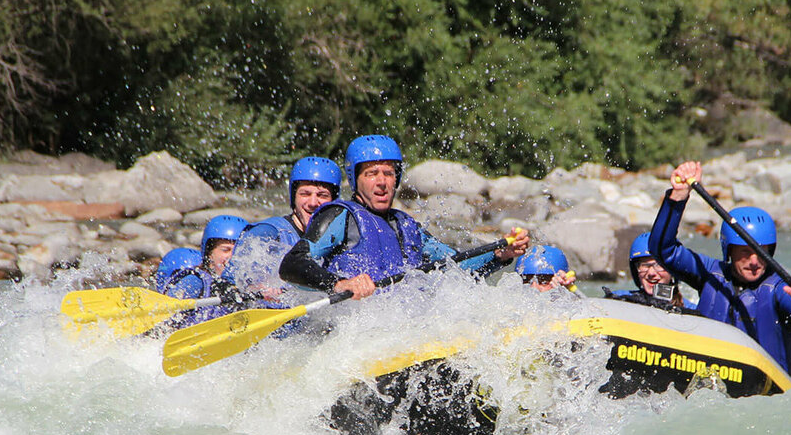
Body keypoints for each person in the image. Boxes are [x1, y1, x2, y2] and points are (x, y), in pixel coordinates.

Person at [279, 134, 530, 296]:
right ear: (356, 180)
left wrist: (499, 255)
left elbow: (456, 267)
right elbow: (292, 264)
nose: (382, 182)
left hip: (402, 329)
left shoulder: (406, 225)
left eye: (388, 174)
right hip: (355, 331)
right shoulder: (339, 217)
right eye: (372, 173)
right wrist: (339, 283)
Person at [648, 160, 791, 379]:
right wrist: (678, 197)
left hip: (765, 396)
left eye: (761, 252)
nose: (754, 261)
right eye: (744, 252)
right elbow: (662, 250)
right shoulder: (710, 274)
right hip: (710, 387)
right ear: (728, 251)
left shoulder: (779, 290)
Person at [224, 156, 343, 295]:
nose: (312, 202)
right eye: (305, 194)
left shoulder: (338, 238)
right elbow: (228, 283)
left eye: (322, 195)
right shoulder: (267, 232)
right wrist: (256, 290)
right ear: (294, 198)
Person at [162, 214, 250, 322]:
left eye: (238, 250)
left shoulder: (249, 284)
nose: (233, 256)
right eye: (226, 250)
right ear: (209, 255)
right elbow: (164, 317)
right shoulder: (194, 281)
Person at [603, 232, 686, 310]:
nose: (651, 273)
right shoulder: (619, 298)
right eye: (644, 265)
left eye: (658, 265)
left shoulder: (690, 309)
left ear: (673, 271)